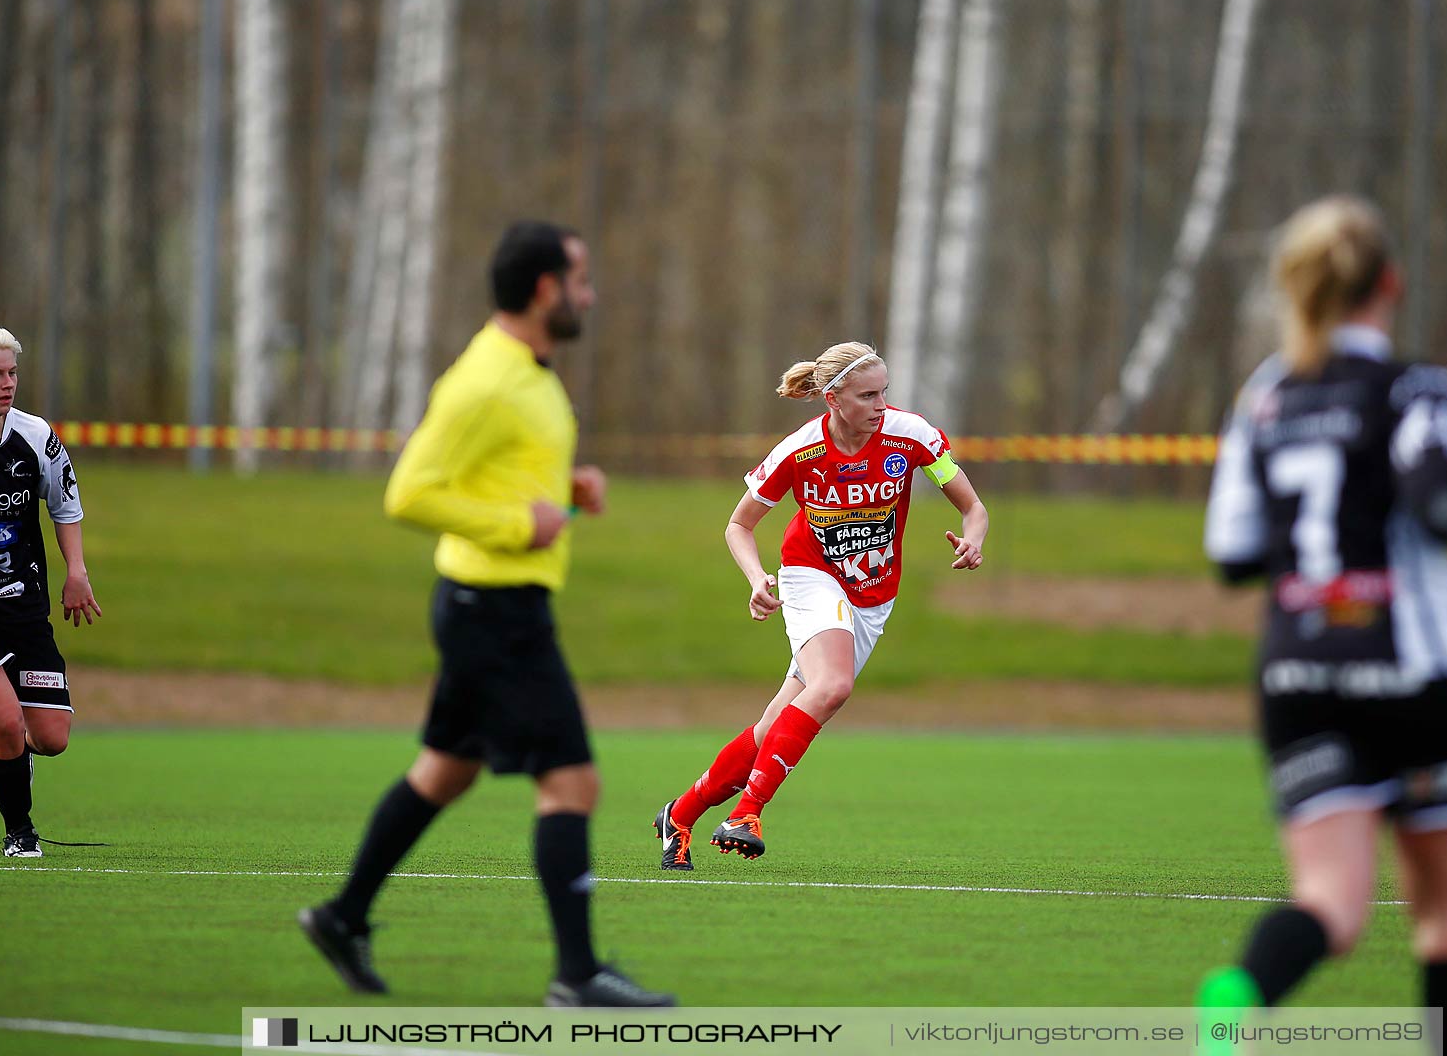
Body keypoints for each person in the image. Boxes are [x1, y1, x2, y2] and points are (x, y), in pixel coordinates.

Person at [298, 222, 673, 1009]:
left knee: (443, 772)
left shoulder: (531, 373)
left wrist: (568, 489)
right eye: (580, 279)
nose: (589, 294)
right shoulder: (486, 380)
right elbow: (409, 493)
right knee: (572, 783)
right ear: (545, 288)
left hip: (491, 606)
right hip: (494, 612)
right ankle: (577, 976)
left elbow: (505, 473)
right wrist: (518, 527)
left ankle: (342, 917)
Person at [1195, 197, 1447, 1055]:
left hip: (1299, 676)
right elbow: (1443, 509)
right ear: (1391, 284)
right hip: (1415, 674)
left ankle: (1242, 994)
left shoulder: (1264, 398)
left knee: (1331, 904)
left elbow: (1230, 550)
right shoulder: (1416, 388)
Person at [654, 341, 988, 868]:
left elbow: (973, 507)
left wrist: (974, 539)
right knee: (833, 686)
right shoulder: (801, 450)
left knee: (771, 732)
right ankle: (747, 812)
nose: (881, 405)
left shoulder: (911, 435)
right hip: (811, 577)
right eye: (868, 395)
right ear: (833, 398)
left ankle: (680, 813)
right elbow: (738, 524)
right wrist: (757, 577)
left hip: (873, 597)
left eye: (885, 393)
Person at [0, 324, 100, 858]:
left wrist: (75, 571)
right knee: (6, 724)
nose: (8, 383)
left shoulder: (35, 436)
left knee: (51, 738)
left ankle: (16, 759)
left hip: (25, 607)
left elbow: (66, 505)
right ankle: (19, 833)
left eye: (12, 372)